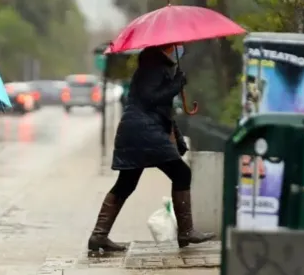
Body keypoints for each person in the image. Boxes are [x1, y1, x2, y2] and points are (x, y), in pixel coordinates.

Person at [88, 45, 215, 252]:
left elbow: (158, 106)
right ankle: (186, 231)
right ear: (165, 47)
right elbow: (151, 99)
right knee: (181, 174)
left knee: (126, 183)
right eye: (175, 46)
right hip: (144, 131)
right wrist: (176, 85)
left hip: (138, 131)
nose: (179, 49)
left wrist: (175, 83)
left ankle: (98, 236)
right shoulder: (153, 67)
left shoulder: (154, 65)